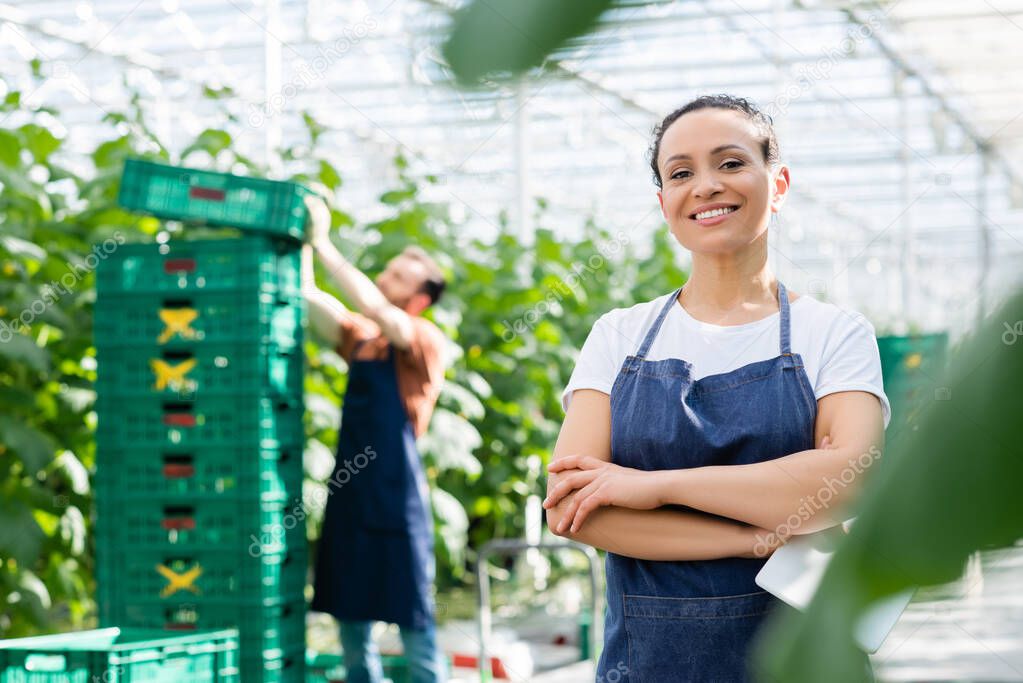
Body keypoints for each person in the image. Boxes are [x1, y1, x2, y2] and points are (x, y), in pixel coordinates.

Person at [542, 95, 890, 682]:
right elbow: (575, 509)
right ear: (663, 203)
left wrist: (652, 488)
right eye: (681, 173)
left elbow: (847, 480)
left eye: (730, 163)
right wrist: (758, 536)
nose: (704, 186)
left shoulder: (834, 333)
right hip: (649, 666)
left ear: (777, 184)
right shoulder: (619, 335)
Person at [302, 195, 449, 683]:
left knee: (415, 626)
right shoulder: (363, 339)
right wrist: (301, 242)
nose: (386, 280)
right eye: (386, 272)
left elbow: (373, 305)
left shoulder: (423, 341)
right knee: (351, 624)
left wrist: (323, 241)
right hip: (352, 496)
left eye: (398, 277)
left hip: (397, 503)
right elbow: (309, 299)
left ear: (420, 298)